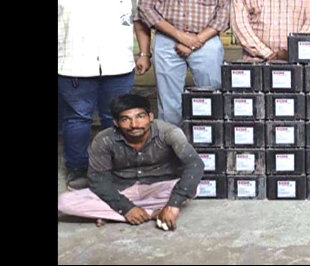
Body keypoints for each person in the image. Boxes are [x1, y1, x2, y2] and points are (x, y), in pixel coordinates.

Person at [58, 0, 152, 191]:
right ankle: (78, 168)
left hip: (118, 64)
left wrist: (144, 54)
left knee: (119, 118)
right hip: (73, 64)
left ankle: (119, 166)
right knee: (77, 119)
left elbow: (139, 22)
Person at [58, 94, 205, 230]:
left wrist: (173, 205)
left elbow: (194, 164)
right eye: (125, 119)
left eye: (140, 116)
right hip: (120, 189)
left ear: (150, 117)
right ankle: (152, 213)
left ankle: (110, 213)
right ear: (116, 122)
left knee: (194, 187)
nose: (134, 124)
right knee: (63, 202)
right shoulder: (104, 139)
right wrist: (126, 208)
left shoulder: (168, 132)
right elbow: (98, 178)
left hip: (157, 187)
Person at [138, 0, 233, 126]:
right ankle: (173, 143)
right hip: (167, 41)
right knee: (169, 103)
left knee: (211, 96)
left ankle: (208, 141)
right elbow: (145, 8)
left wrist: (196, 40)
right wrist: (181, 37)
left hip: (207, 41)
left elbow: (225, 12)